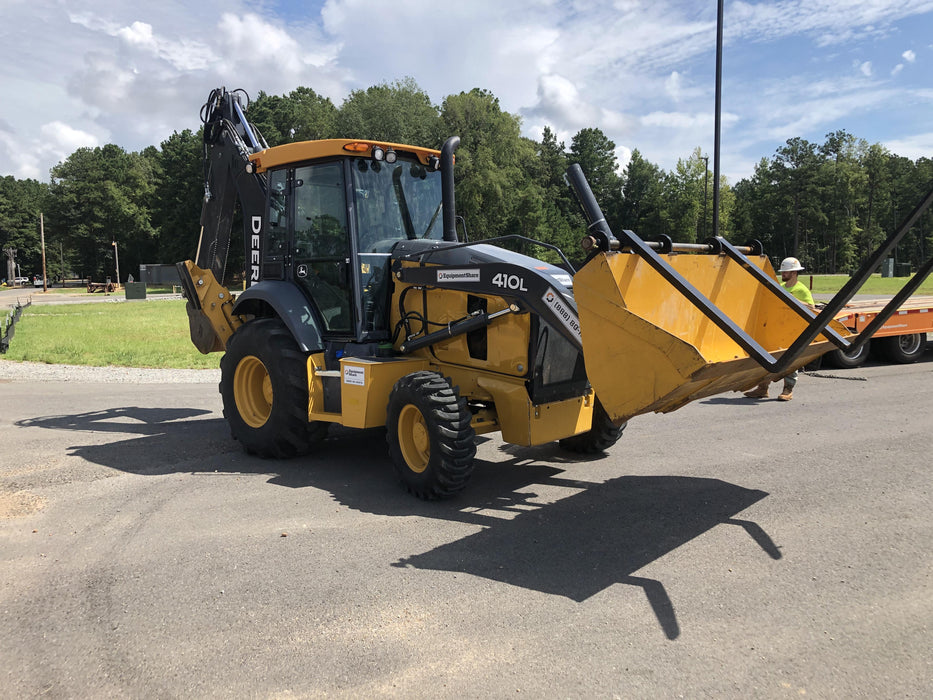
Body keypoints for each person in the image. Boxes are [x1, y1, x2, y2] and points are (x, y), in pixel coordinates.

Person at [745, 256, 815, 401]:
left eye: (786, 272)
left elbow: (812, 308)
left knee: (789, 361)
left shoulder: (801, 289)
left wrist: (793, 300)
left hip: (792, 331)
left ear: (794, 273)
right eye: (783, 272)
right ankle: (763, 388)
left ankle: (788, 389)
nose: (783, 274)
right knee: (767, 359)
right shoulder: (781, 287)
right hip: (778, 328)